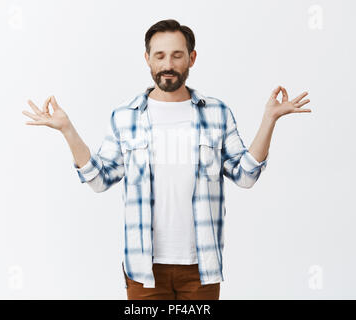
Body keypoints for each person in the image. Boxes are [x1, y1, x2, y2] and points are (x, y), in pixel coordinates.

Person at [22, 19, 311, 300]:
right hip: (143, 267)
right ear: (147, 59)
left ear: (192, 58)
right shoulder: (125, 116)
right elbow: (99, 179)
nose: (168, 65)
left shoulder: (217, 112)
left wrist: (269, 119)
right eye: (159, 56)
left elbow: (246, 176)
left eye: (177, 55)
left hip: (201, 267)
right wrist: (67, 129)